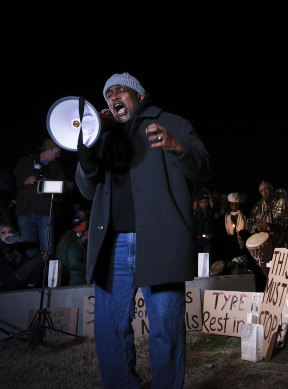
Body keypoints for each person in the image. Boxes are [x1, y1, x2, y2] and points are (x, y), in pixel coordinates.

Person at [76, 72, 211, 388]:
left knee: (166, 328)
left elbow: (204, 167)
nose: (113, 98)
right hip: (113, 247)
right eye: (108, 94)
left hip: (160, 242)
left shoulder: (170, 123)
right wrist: (85, 162)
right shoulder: (103, 135)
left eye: (120, 90)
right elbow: (86, 190)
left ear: (138, 95)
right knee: (110, 330)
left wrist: (178, 147)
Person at [13, 138, 64, 259]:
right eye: (56, 152)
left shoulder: (56, 167)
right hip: (25, 211)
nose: (58, 155)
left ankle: (46, 274)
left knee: (47, 248)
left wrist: (48, 185)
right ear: (47, 150)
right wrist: (25, 181)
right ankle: (34, 270)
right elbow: (12, 181)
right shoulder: (25, 161)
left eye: (59, 153)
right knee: (29, 246)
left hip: (45, 213)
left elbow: (62, 190)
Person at [246, 181, 288, 248]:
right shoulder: (258, 206)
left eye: (266, 189)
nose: (264, 192)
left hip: (280, 241)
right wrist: (256, 228)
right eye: (261, 191)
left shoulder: (281, 202)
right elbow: (249, 224)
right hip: (264, 244)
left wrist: (270, 226)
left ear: (272, 189)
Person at [0, 223, 44, 291]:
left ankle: (30, 287)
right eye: (3, 232)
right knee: (39, 258)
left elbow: (26, 266)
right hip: (5, 284)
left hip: (17, 281)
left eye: (9, 232)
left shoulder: (15, 251)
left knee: (41, 258)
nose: (7, 235)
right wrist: (2, 242)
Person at [55, 207, 89, 286]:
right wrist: (91, 267)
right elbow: (74, 264)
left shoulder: (70, 239)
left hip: (74, 280)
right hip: (76, 281)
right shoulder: (73, 242)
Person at [193, 189, 218, 265]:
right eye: (201, 202)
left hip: (209, 244)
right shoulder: (195, 215)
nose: (203, 204)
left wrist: (212, 235)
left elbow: (216, 228)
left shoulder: (212, 214)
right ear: (198, 203)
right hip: (198, 245)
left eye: (205, 202)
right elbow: (194, 230)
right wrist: (199, 236)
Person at [222, 192, 249, 262]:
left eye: (236, 205)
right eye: (232, 205)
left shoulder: (245, 215)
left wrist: (243, 233)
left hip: (241, 245)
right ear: (229, 205)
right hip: (230, 246)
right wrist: (229, 237)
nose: (234, 207)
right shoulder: (224, 217)